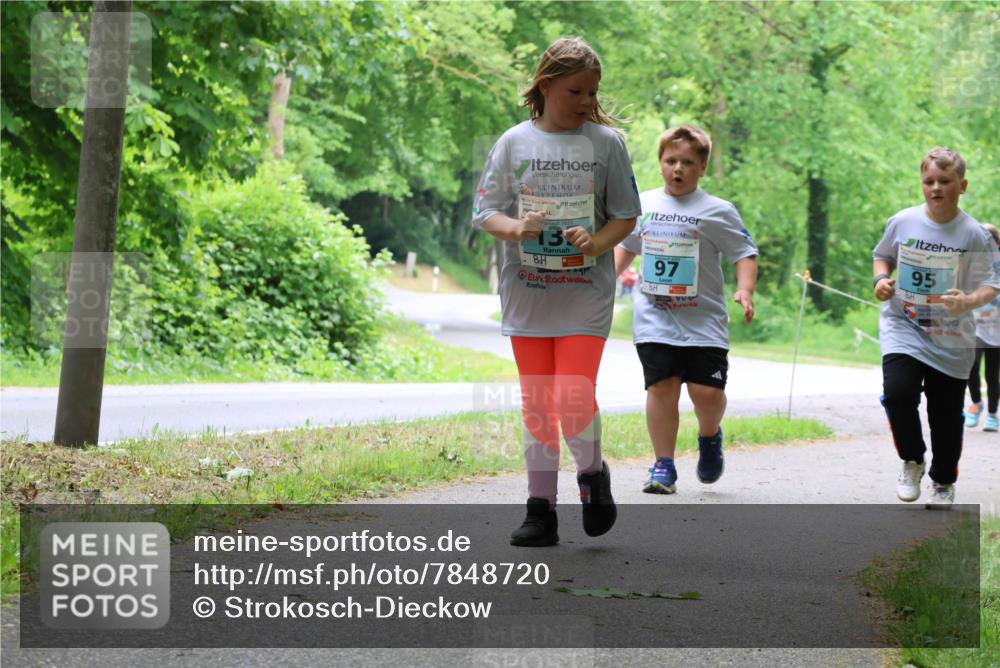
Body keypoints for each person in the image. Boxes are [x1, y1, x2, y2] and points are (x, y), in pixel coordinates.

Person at [472, 37, 641, 546]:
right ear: (546, 86)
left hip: (584, 293)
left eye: (593, 92)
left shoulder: (606, 145)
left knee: (572, 395)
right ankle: (540, 509)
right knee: (537, 404)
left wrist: (595, 244)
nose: (588, 102)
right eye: (577, 92)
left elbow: (626, 218)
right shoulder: (513, 143)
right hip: (528, 294)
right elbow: (486, 213)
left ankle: (591, 476)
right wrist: (517, 229)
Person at [613, 125, 757, 494]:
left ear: (702, 167)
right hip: (655, 318)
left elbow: (744, 252)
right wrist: (603, 283)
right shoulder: (642, 205)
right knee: (661, 387)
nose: (678, 168)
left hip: (704, 321)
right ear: (660, 163)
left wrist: (744, 290)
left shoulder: (718, 211)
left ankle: (709, 437)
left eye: (688, 162)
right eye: (670, 160)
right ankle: (663, 466)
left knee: (706, 394)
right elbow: (624, 245)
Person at [873, 148, 1000, 509]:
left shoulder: (975, 234)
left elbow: (993, 282)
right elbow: (882, 256)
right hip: (904, 325)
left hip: (951, 335)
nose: (936, 188)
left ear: (962, 185)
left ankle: (943, 480)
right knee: (898, 394)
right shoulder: (903, 222)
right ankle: (912, 460)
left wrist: (969, 301)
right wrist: (881, 280)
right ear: (921, 184)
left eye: (945, 182)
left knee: (944, 415)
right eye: (929, 181)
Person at [965, 223, 1000, 431]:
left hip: (998, 331)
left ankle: (993, 415)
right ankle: (976, 403)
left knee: (992, 374)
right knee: (971, 365)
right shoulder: (971, 265)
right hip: (976, 327)